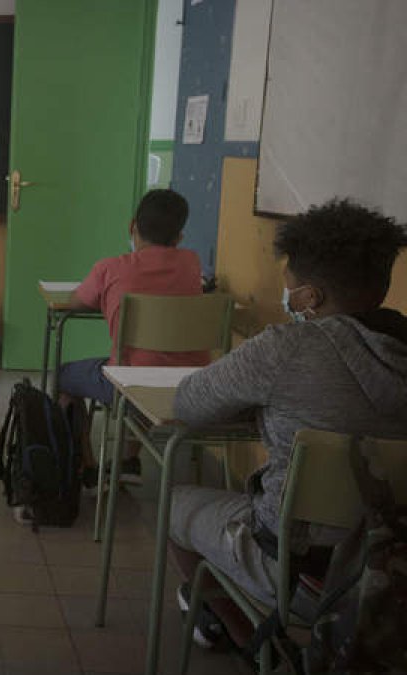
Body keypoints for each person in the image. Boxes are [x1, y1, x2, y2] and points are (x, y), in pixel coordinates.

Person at [168, 198, 407, 646]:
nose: (287, 295)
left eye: (290, 285)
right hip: (391, 565)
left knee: (175, 502)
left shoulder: (286, 347)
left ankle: (246, 640)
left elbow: (189, 404)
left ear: (311, 296)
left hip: (298, 564)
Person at [60, 188, 206, 483]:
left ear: (132, 227)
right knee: (149, 366)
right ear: (179, 238)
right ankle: (127, 460)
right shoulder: (191, 263)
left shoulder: (110, 268)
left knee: (63, 376)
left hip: (129, 380)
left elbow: (74, 302)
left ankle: (85, 466)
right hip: (192, 381)